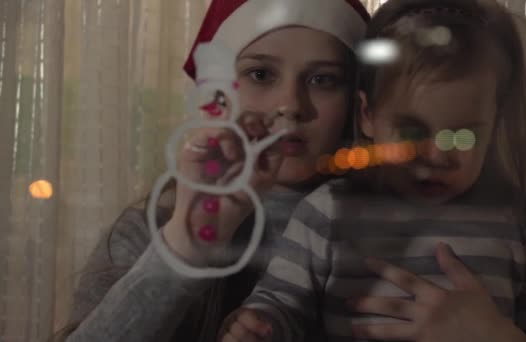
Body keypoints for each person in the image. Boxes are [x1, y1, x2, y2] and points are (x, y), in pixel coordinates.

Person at [222, 0, 526, 341]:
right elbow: (281, 302)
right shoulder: (327, 213)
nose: (436, 155)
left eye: (463, 135)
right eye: (411, 132)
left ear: (493, 124)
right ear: (368, 115)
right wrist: (257, 324)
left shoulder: (514, 223)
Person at [52, 1, 370, 341]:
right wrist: (184, 249)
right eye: (261, 74)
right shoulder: (149, 231)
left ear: (357, 101)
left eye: (324, 80)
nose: (291, 105)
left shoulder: (394, 230)